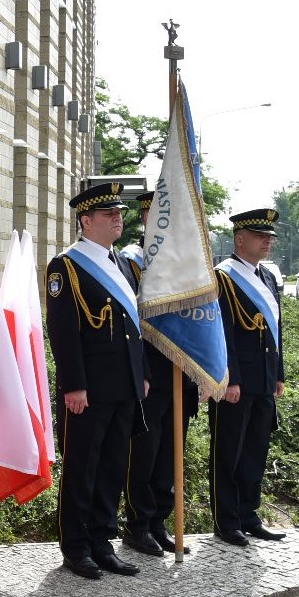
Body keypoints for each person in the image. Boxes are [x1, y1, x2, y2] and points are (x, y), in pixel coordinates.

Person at [46, 182, 149, 580]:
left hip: (124, 383)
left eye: (119, 213)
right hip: (87, 388)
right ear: (86, 220)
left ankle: (102, 542)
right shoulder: (66, 266)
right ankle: (75, 547)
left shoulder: (122, 263)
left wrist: (142, 375)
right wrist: (74, 384)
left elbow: (134, 326)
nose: (117, 219)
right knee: (82, 467)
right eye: (109, 214)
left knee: (111, 465)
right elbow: (64, 330)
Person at [118, 192, 199, 557]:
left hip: (180, 372)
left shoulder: (187, 265)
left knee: (170, 455)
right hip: (150, 374)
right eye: (158, 213)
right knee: (145, 455)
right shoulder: (132, 263)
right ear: (147, 217)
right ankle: (137, 523)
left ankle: (160, 521)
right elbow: (132, 325)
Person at [211, 208, 287, 546]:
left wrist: (279, 374)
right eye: (261, 235)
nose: (268, 240)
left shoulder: (267, 277)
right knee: (230, 451)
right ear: (240, 239)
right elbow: (221, 332)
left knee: (255, 450)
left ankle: (248, 514)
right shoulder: (223, 277)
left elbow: (276, 331)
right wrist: (231, 379)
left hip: (264, 379)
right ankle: (226, 520)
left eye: (270, 236)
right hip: (237, 383)